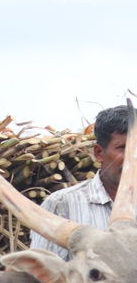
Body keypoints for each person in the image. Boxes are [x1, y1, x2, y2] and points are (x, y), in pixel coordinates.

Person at [30, 105, 130, 258]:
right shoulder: (61, 204)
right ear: (98, 153)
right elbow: (42, 279)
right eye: (122, 147)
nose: (133, 157)